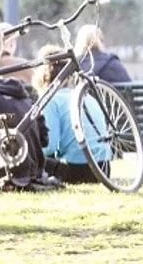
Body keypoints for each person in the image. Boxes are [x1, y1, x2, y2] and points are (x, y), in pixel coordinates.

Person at [34, 45, 111, 184]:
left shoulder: (52, 100)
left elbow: (50, 146)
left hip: (78, 169)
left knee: (33, 159)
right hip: (104, 168)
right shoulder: (85, 96)